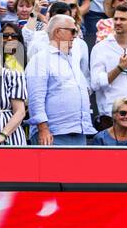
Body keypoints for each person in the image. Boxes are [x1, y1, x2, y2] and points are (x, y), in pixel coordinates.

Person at [26, 13, 94, 146]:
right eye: (73, 31)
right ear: (58, 32)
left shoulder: (72, 59)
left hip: (79, 131)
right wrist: (43, 129)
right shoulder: (41, 59)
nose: (75, 35)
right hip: (53, 134)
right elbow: (36, 97)